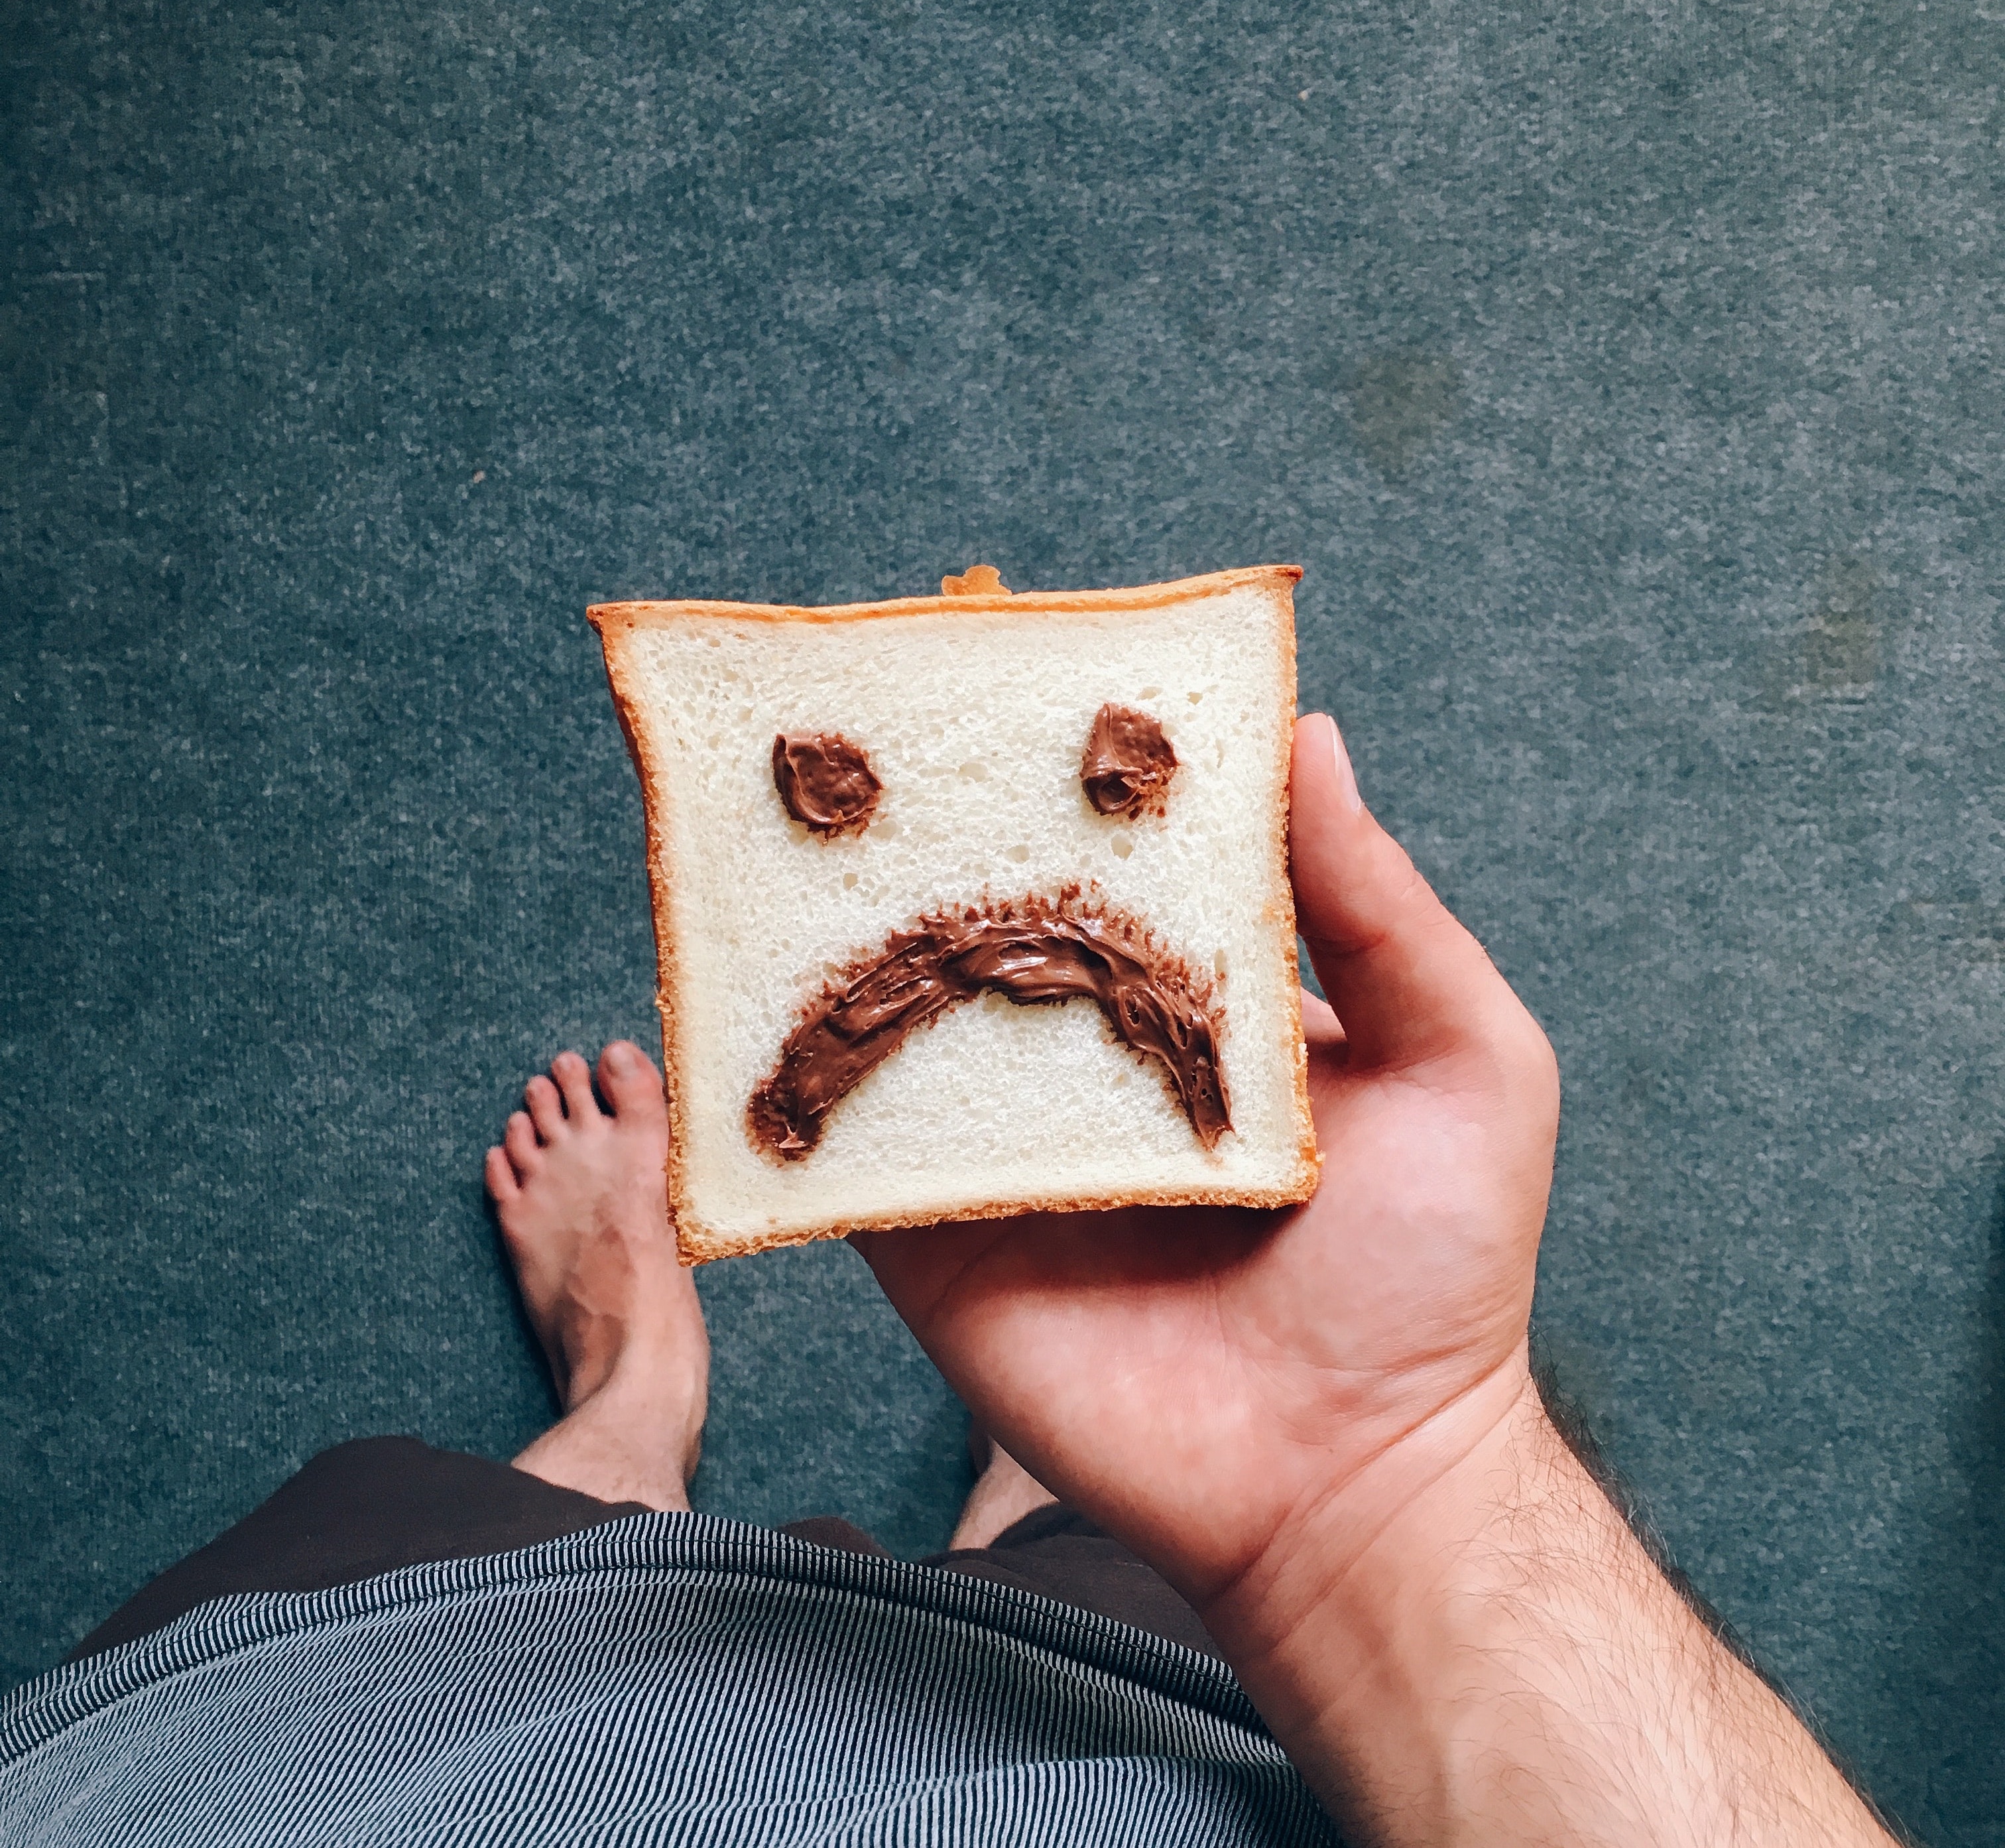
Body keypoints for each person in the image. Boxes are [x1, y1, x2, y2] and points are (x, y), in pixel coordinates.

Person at [2, 717, 1900, 1847]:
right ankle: (1031, 1486)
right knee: (1111, 1551)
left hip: (311, 1756)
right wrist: (1393, 1483)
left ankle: (622, 1422)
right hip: (1120, 1728)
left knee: (469, 1542)